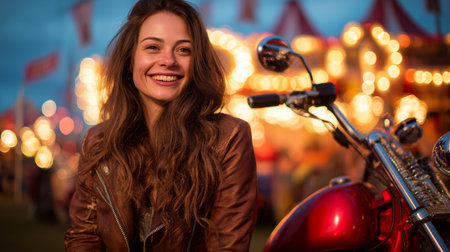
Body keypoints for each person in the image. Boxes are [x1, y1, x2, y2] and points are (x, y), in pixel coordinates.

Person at [64, 0, 258, 251]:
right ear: (129, 60)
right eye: (153, 47)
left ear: (197, 63)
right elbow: (83, 237)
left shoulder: (229, 138)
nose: (168, 60)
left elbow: (226, 246)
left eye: (184, 50)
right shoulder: (99, 141)